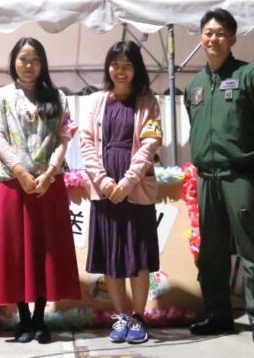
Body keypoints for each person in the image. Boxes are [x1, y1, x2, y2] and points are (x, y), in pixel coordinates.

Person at [184, 9, 254, 345]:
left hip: (241, 177)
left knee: (251, 250)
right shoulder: (195, 86)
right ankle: (218, 315)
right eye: (208, 33)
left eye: (221, 33)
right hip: (207, 179)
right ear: (201, 38)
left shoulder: (252, 76)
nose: (214, 39)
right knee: (211, 252)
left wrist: (244, 152)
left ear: (233, 39)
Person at [0, 37, 81, 344]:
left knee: (44, 250)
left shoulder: (58, 97)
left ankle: (40, 319)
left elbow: (64, 138)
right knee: (16, 252)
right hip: (14, 185)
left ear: (43, 64)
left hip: (48, 186)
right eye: (23, 59)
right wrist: (21, 173)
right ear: (13, 61)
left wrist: (50, 173)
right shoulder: (0, 97)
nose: (28, 65)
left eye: (34, 60)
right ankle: (22, 319)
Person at [80, 41, 162, 344]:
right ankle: (121, 317)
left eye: (128, 64)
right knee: (112, 257)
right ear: (108, 68)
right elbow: (86, 144)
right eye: (115, 64)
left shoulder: (148, 101)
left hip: (136, 189)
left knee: (138, 256)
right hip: (105, 192)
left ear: (137, 68)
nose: (121, 70)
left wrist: (127, 182)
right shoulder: (95, 102)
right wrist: (103, 182)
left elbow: (149, 145)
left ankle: (139, 317)